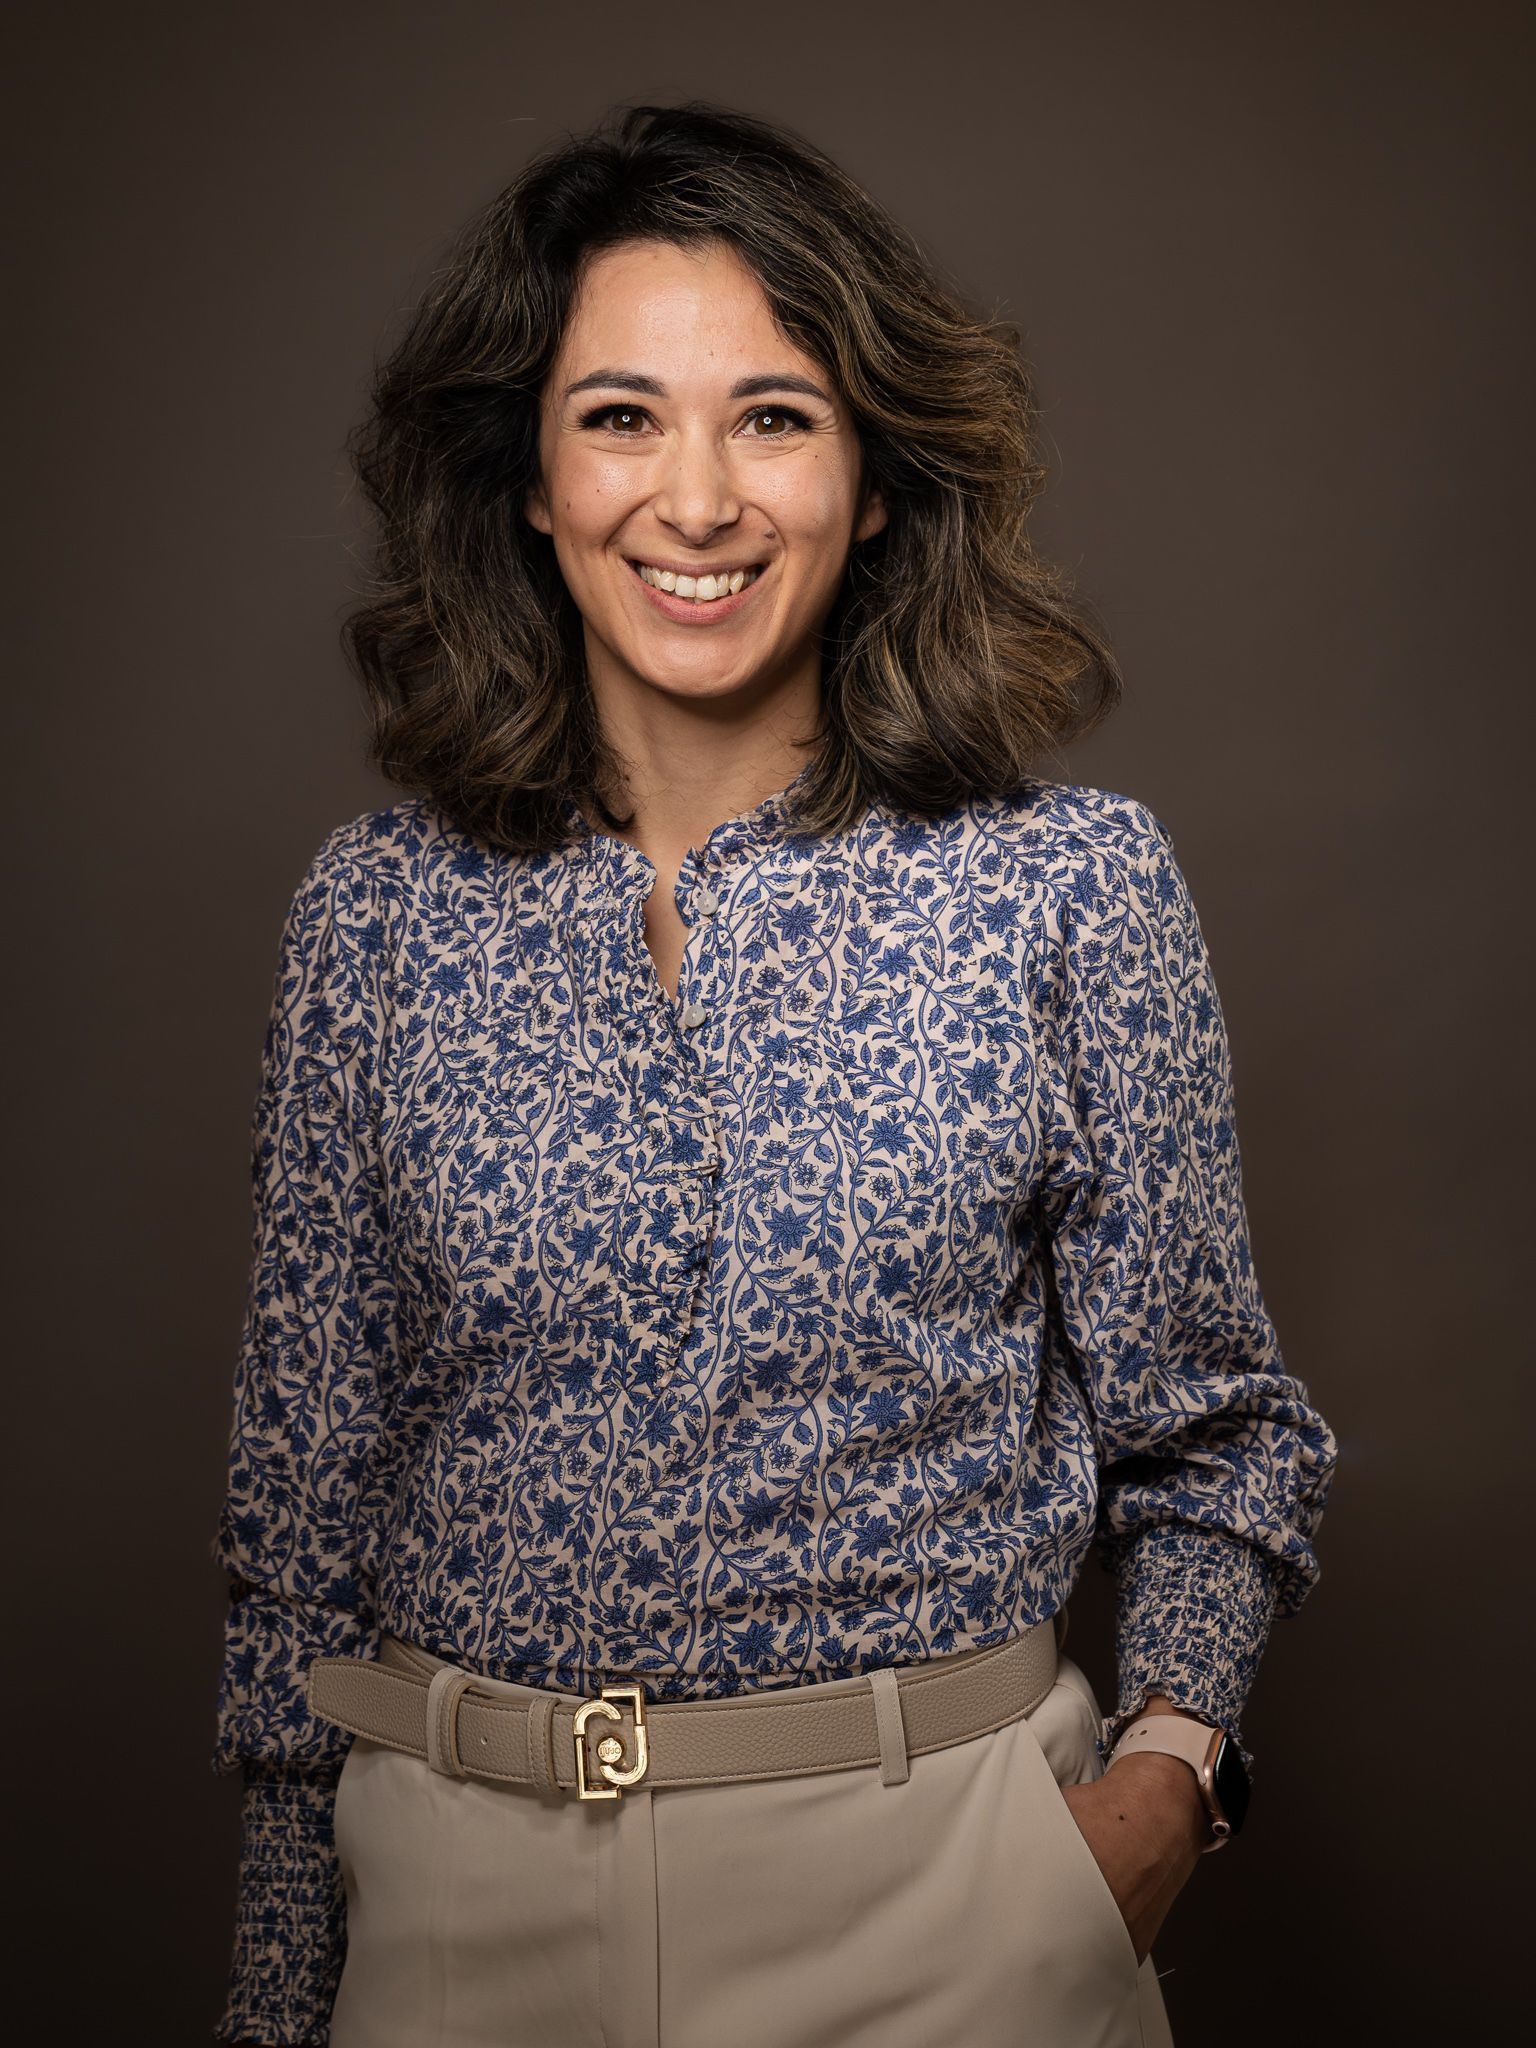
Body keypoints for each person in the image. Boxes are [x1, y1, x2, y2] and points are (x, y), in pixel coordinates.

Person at [208, 99, 1339, 2048]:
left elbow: (1223, 1431)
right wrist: (275, 1993)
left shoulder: (1067, 890)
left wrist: (1166, 1783)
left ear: (876, 480)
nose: (701, 499)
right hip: (466, 1915)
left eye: (779, 417)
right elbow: (296, 1525)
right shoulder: (378, 919)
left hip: (949, 1910)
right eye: (625, 416)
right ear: (533, 480)